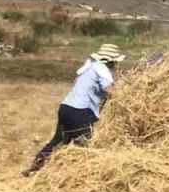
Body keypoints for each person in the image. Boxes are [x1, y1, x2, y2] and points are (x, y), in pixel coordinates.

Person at [29, 43, 126, 173]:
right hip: (80, 110)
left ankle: (38, 163)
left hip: (66, 107)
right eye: (115, 62)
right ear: (111, 61)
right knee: (86, 144)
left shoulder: (89, 66)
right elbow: (109, 89)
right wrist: (125, 97)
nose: (116, 65)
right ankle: (80, 173)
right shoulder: (102, 69)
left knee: (59, 140)